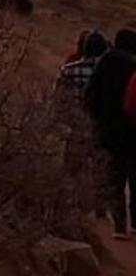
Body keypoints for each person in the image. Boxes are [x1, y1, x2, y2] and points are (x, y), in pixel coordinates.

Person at [86, 29, 136, 239]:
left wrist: (97, 118)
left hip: (108, 127)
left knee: (113, 175)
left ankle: (119, 225)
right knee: (134, 175)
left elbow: (90, 94)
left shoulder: (104, 63)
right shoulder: (134, 64)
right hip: (133, 128)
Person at [58, 30, 110, 215]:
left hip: (77, 123)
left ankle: (69, 204)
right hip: (100, 125)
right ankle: (100, 207)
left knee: (72, 167)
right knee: (100, 166)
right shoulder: (109, 73)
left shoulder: (69, 70)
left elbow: (60, 100)